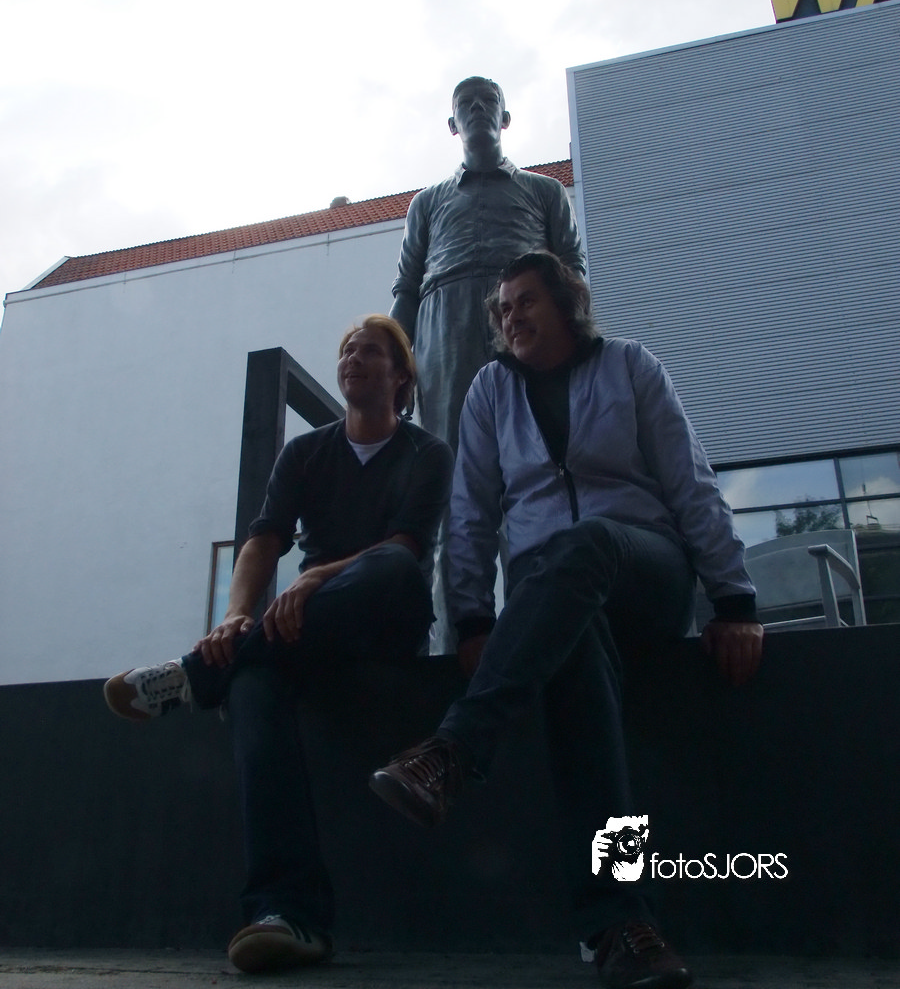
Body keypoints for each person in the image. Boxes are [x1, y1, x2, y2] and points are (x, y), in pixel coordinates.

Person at [370, 253, 764, 989]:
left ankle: (454, 749)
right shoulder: (489, 390)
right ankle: (622, 925)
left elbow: (690, 481)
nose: (511, 316)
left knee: (586, 542)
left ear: (566, 303)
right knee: (575, 660)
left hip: (642, 568)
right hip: (551, 601)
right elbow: (472, 511)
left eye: (526, 301)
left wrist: (733, 600)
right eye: (503, 309)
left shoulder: (630, 366)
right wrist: (472, 617)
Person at [104, 316, 453, 975]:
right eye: (346, 350)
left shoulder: (426, 453)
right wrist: (236, 617)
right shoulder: (305, 454)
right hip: (301, 636)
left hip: (381, 618)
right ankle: (286, 914)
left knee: (394, 567)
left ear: (401, 377)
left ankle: (192, 678)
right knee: (251, 684)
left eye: (369, 351)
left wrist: (316, 577)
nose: (352, 358)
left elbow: (406, 547)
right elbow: (263, 540)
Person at [390, 76, 585, 648]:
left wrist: (576, 352)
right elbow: (407, 286)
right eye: (465, 105)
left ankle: (534, 643)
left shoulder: (545, 192)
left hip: (523, 330)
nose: (477, 110)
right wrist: (398, 365)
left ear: (505, 118)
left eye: (488, 102)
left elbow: (572, 272)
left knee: (536, 476)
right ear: (453, 125)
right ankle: (456, 645)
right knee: (453, 488)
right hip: (444, 332)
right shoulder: (427, 203)